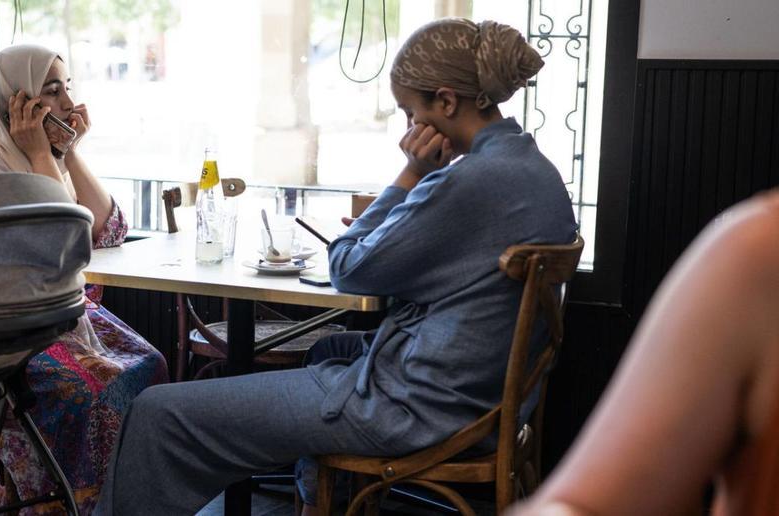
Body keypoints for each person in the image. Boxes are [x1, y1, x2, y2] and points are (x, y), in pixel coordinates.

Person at [94, 18, 577, 515]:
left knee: (157, 412)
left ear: (447, 103)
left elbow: (348, 265)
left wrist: (410, 174)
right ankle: (324, 503)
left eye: (411, 112)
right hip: (486, 399)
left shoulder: (467, 181)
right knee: (330, 347)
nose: (410, 129)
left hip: (418, 407)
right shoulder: (533, 170)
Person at [0, 44, 168, 514]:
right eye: (51, 91)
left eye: (68, 87)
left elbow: (108, 229)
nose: (68, 102)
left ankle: (118, 502)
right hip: (2, 330)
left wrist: (68, 152)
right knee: (96, 391)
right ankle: (64, 503)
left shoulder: (40, 154)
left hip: (62, 316)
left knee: (152, 367)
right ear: (15, 102)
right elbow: (61, 245)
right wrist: (45, 153)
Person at [512, 192, 779, 515]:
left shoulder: (759, 251)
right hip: (509, 412)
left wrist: (429, 172)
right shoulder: (757, 253)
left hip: (469, 411)